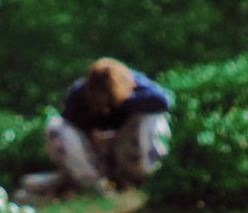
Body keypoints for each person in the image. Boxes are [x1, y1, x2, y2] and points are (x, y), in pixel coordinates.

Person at [16, 58, 171, 202]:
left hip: (129, 155)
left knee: (152, 116)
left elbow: (163, 101)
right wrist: (94, 133)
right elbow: (70, 127)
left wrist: (123, 103)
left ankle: (152, 177)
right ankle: (93, 187)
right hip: (95, 160)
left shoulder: (134, 82)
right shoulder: (79, 93)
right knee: (56, 127)